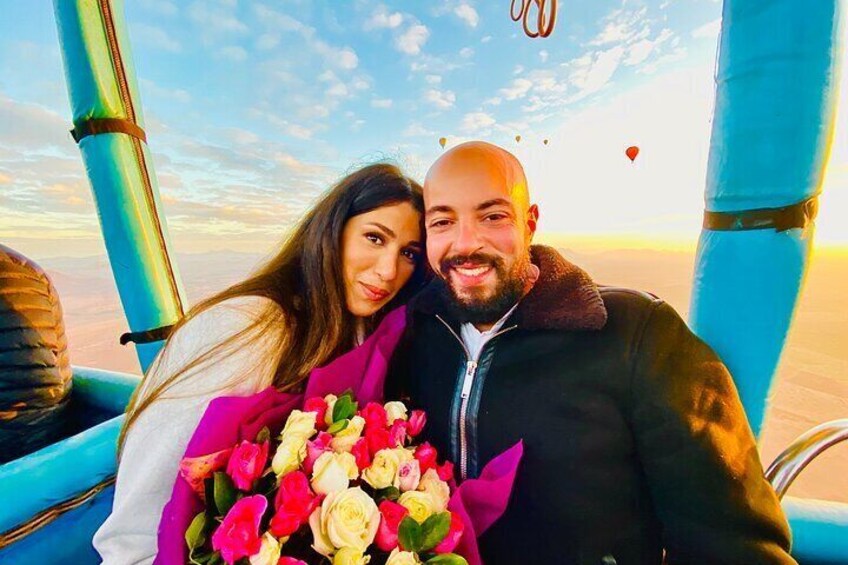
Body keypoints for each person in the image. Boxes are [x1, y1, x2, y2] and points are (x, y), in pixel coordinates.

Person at [387, 141, 796, 564]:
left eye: (492, 216)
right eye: (442, 222)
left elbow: (732, 540)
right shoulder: (413, 331)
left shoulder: (637, 334)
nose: (465, 243)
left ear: (530, 223)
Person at [94, 163, 427, 564]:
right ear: (332, 231)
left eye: (408, 253)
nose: (389, 271)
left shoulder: (358, 335)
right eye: (374, 237)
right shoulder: (244, 328)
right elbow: (135, 523)